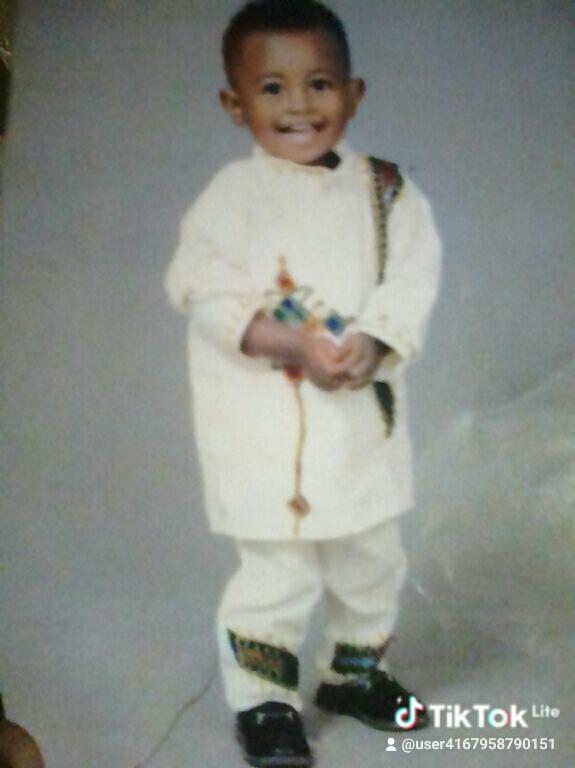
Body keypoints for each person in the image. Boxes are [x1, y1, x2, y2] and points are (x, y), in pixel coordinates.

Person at [164, 1, 441, 765]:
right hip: (264, 434)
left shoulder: (386, 193)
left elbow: (411, 279)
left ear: (352, 94)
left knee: (371, 563)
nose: (298, 105)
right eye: (272, 88)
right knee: (276, 576)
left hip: (357, 428)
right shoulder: (230, 199)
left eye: (318, 84)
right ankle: (265, 701)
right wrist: (287, 340)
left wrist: (374, 340)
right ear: (234, 104)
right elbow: (203, 293)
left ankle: (353, 674)